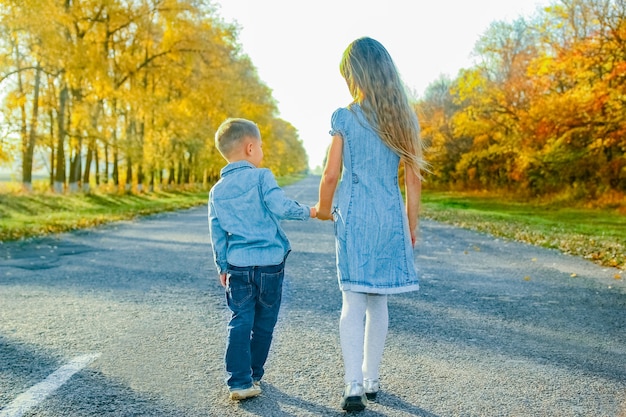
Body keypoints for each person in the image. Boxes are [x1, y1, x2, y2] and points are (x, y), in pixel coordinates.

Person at [315, 37, 427, 412]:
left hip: (355, 217)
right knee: (378, 300)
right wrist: (411, 226)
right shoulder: (403, 119)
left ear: (355, 75)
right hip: (389, 218)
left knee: (352, 301)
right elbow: (413, 180)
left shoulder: (345, 117)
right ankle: (372, 377)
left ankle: (352, 385)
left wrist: (323, 208)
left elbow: (331, 175)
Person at [208, 117, 316, 401]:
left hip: (238, 266)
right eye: (262, 146)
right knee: (265, 323)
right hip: (269, 265)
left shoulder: (216, 191)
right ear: (250, 148)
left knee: (239, 320)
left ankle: (240, 382)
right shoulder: (261, 176)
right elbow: (279, 206)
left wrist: (222, 265)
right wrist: (311, 211)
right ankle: (254, 372)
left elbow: (217, 232)